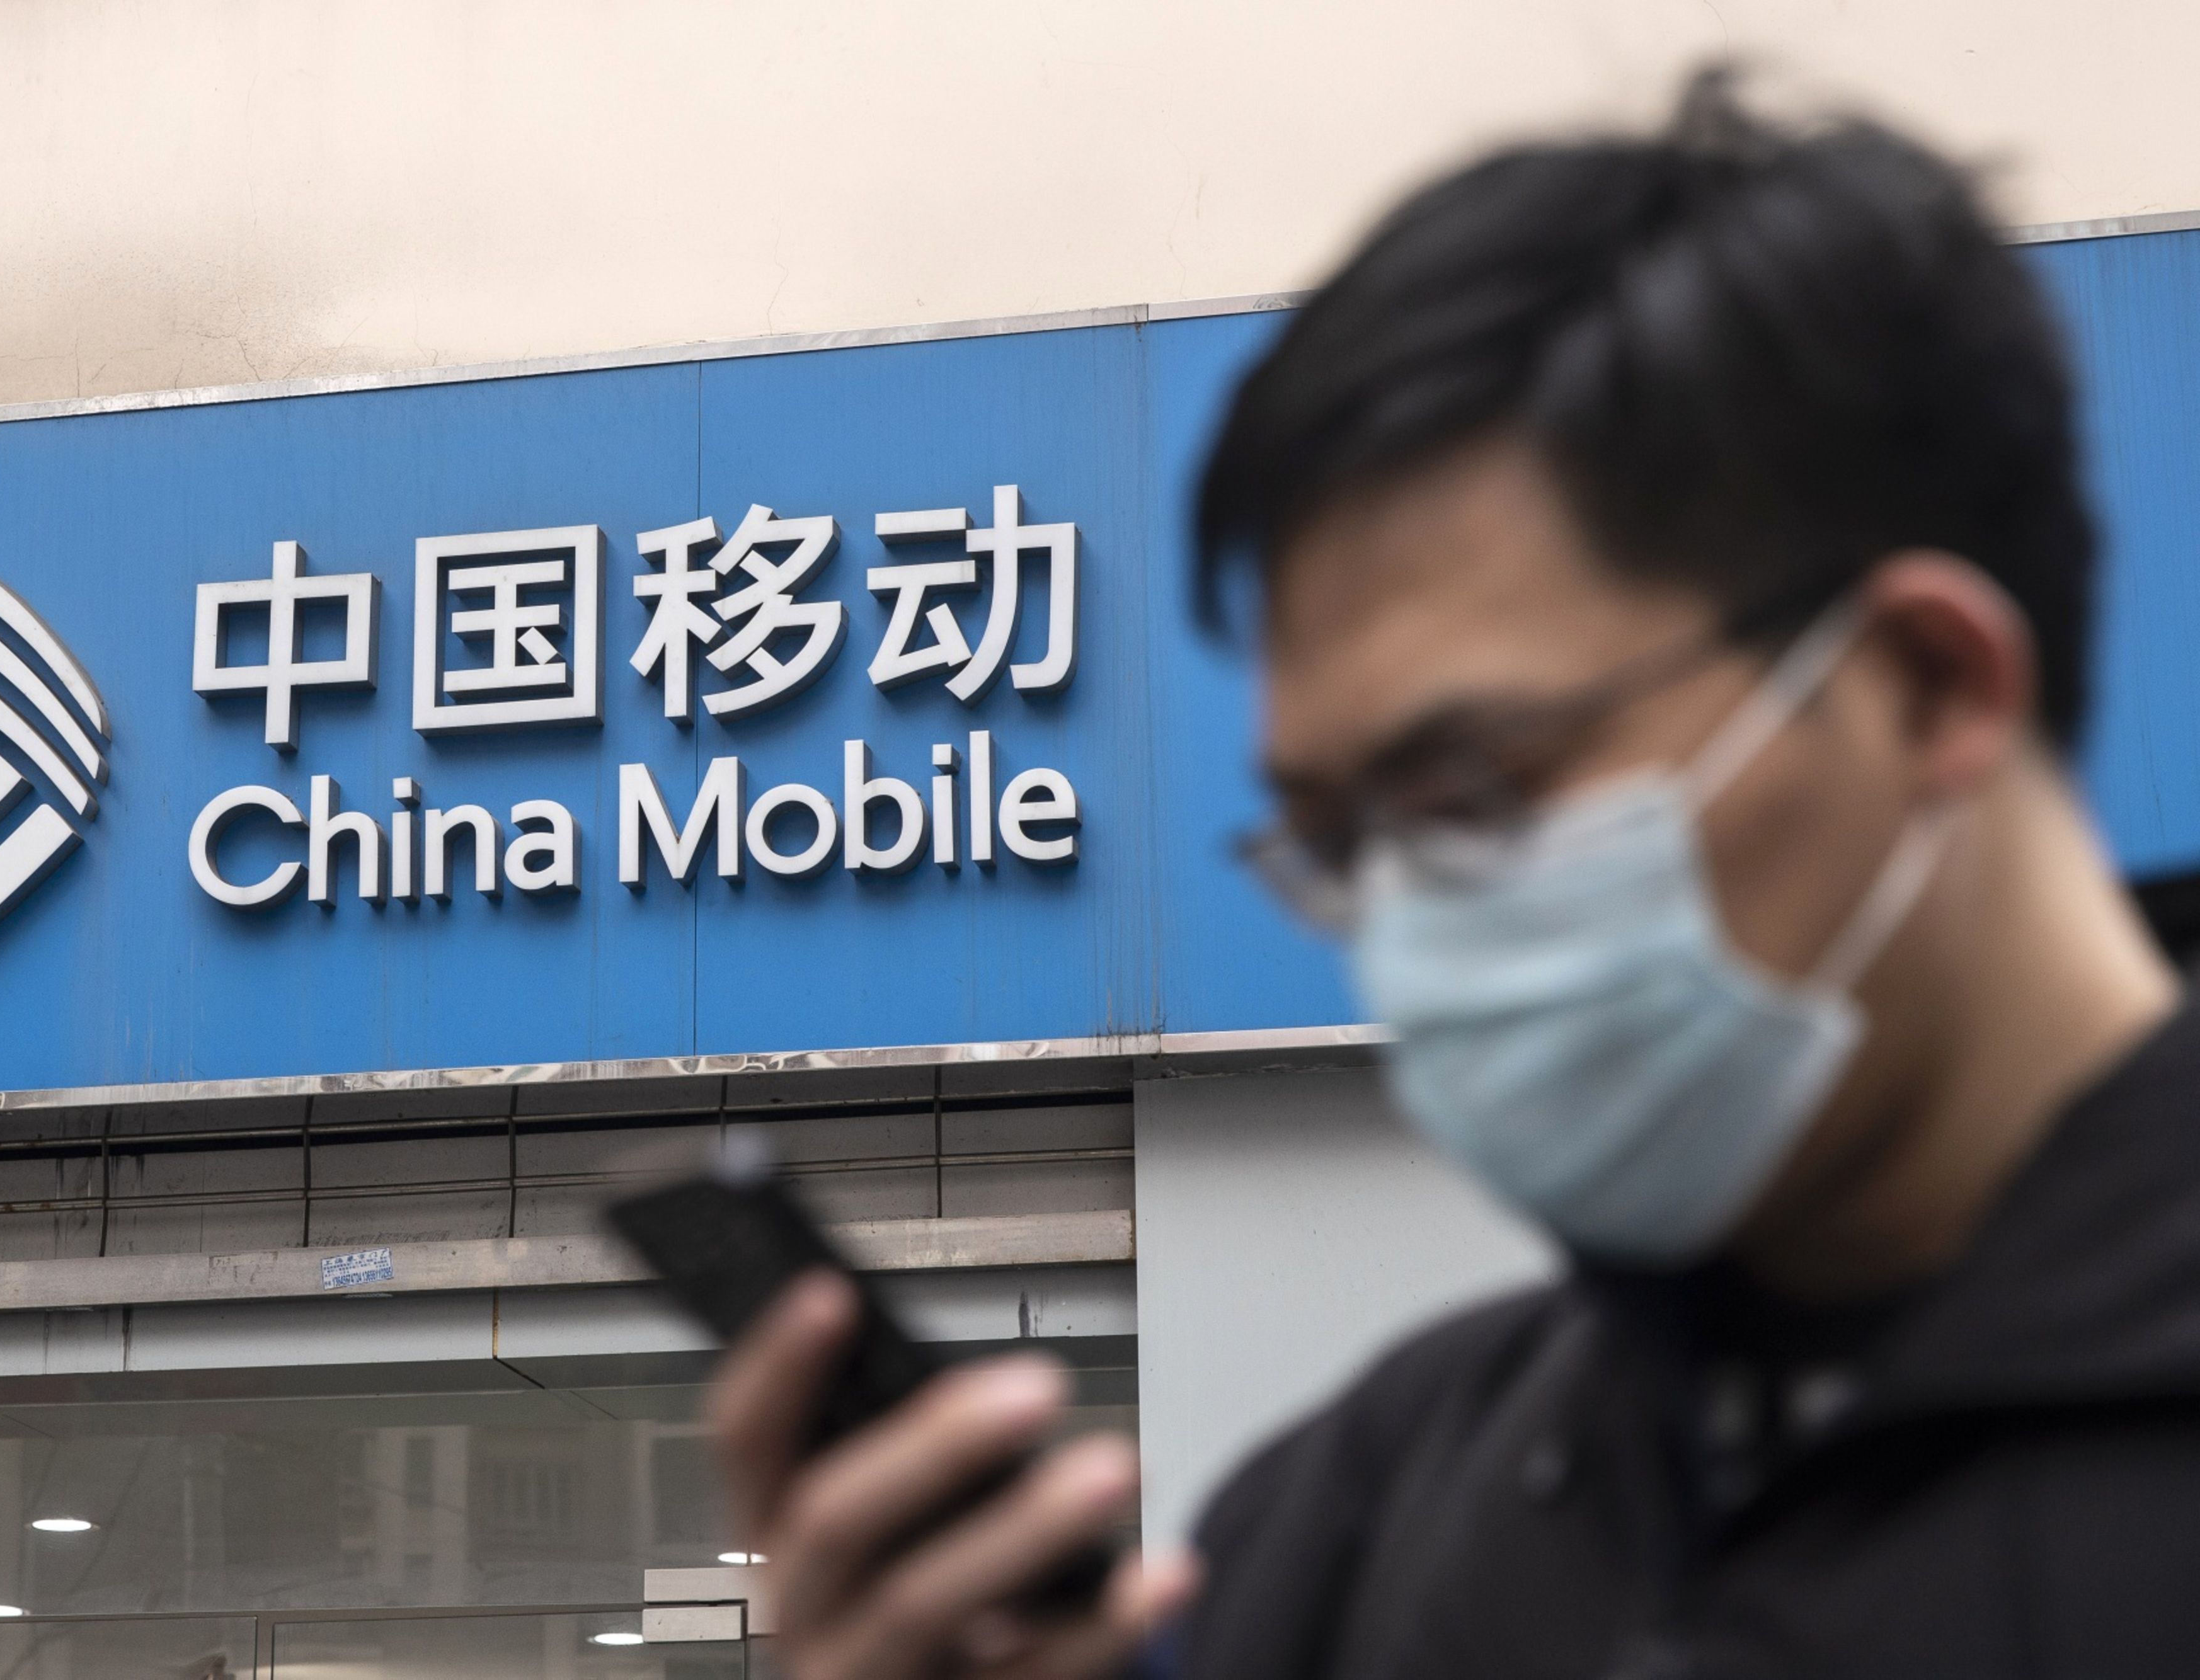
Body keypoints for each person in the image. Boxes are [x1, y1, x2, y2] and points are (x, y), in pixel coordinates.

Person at [705, 69, 2200, 1678]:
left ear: (1927, 684)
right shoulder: (1358, 1515)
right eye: (1343, 838)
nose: (1413, 927)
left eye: (1477, 784)